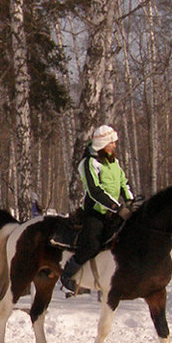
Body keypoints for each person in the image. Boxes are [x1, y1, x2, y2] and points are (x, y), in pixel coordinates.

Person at [60, 125, 134, 297]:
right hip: (95, 213)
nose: (115, 146)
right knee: (91, 244)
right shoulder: (88, 163)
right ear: (104, 144)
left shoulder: (113, 161)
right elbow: (95, 191)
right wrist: (117, 208)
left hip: (115, 211)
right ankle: (67, 276)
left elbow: (124, 182)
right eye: (112, 143)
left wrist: (130, 200)